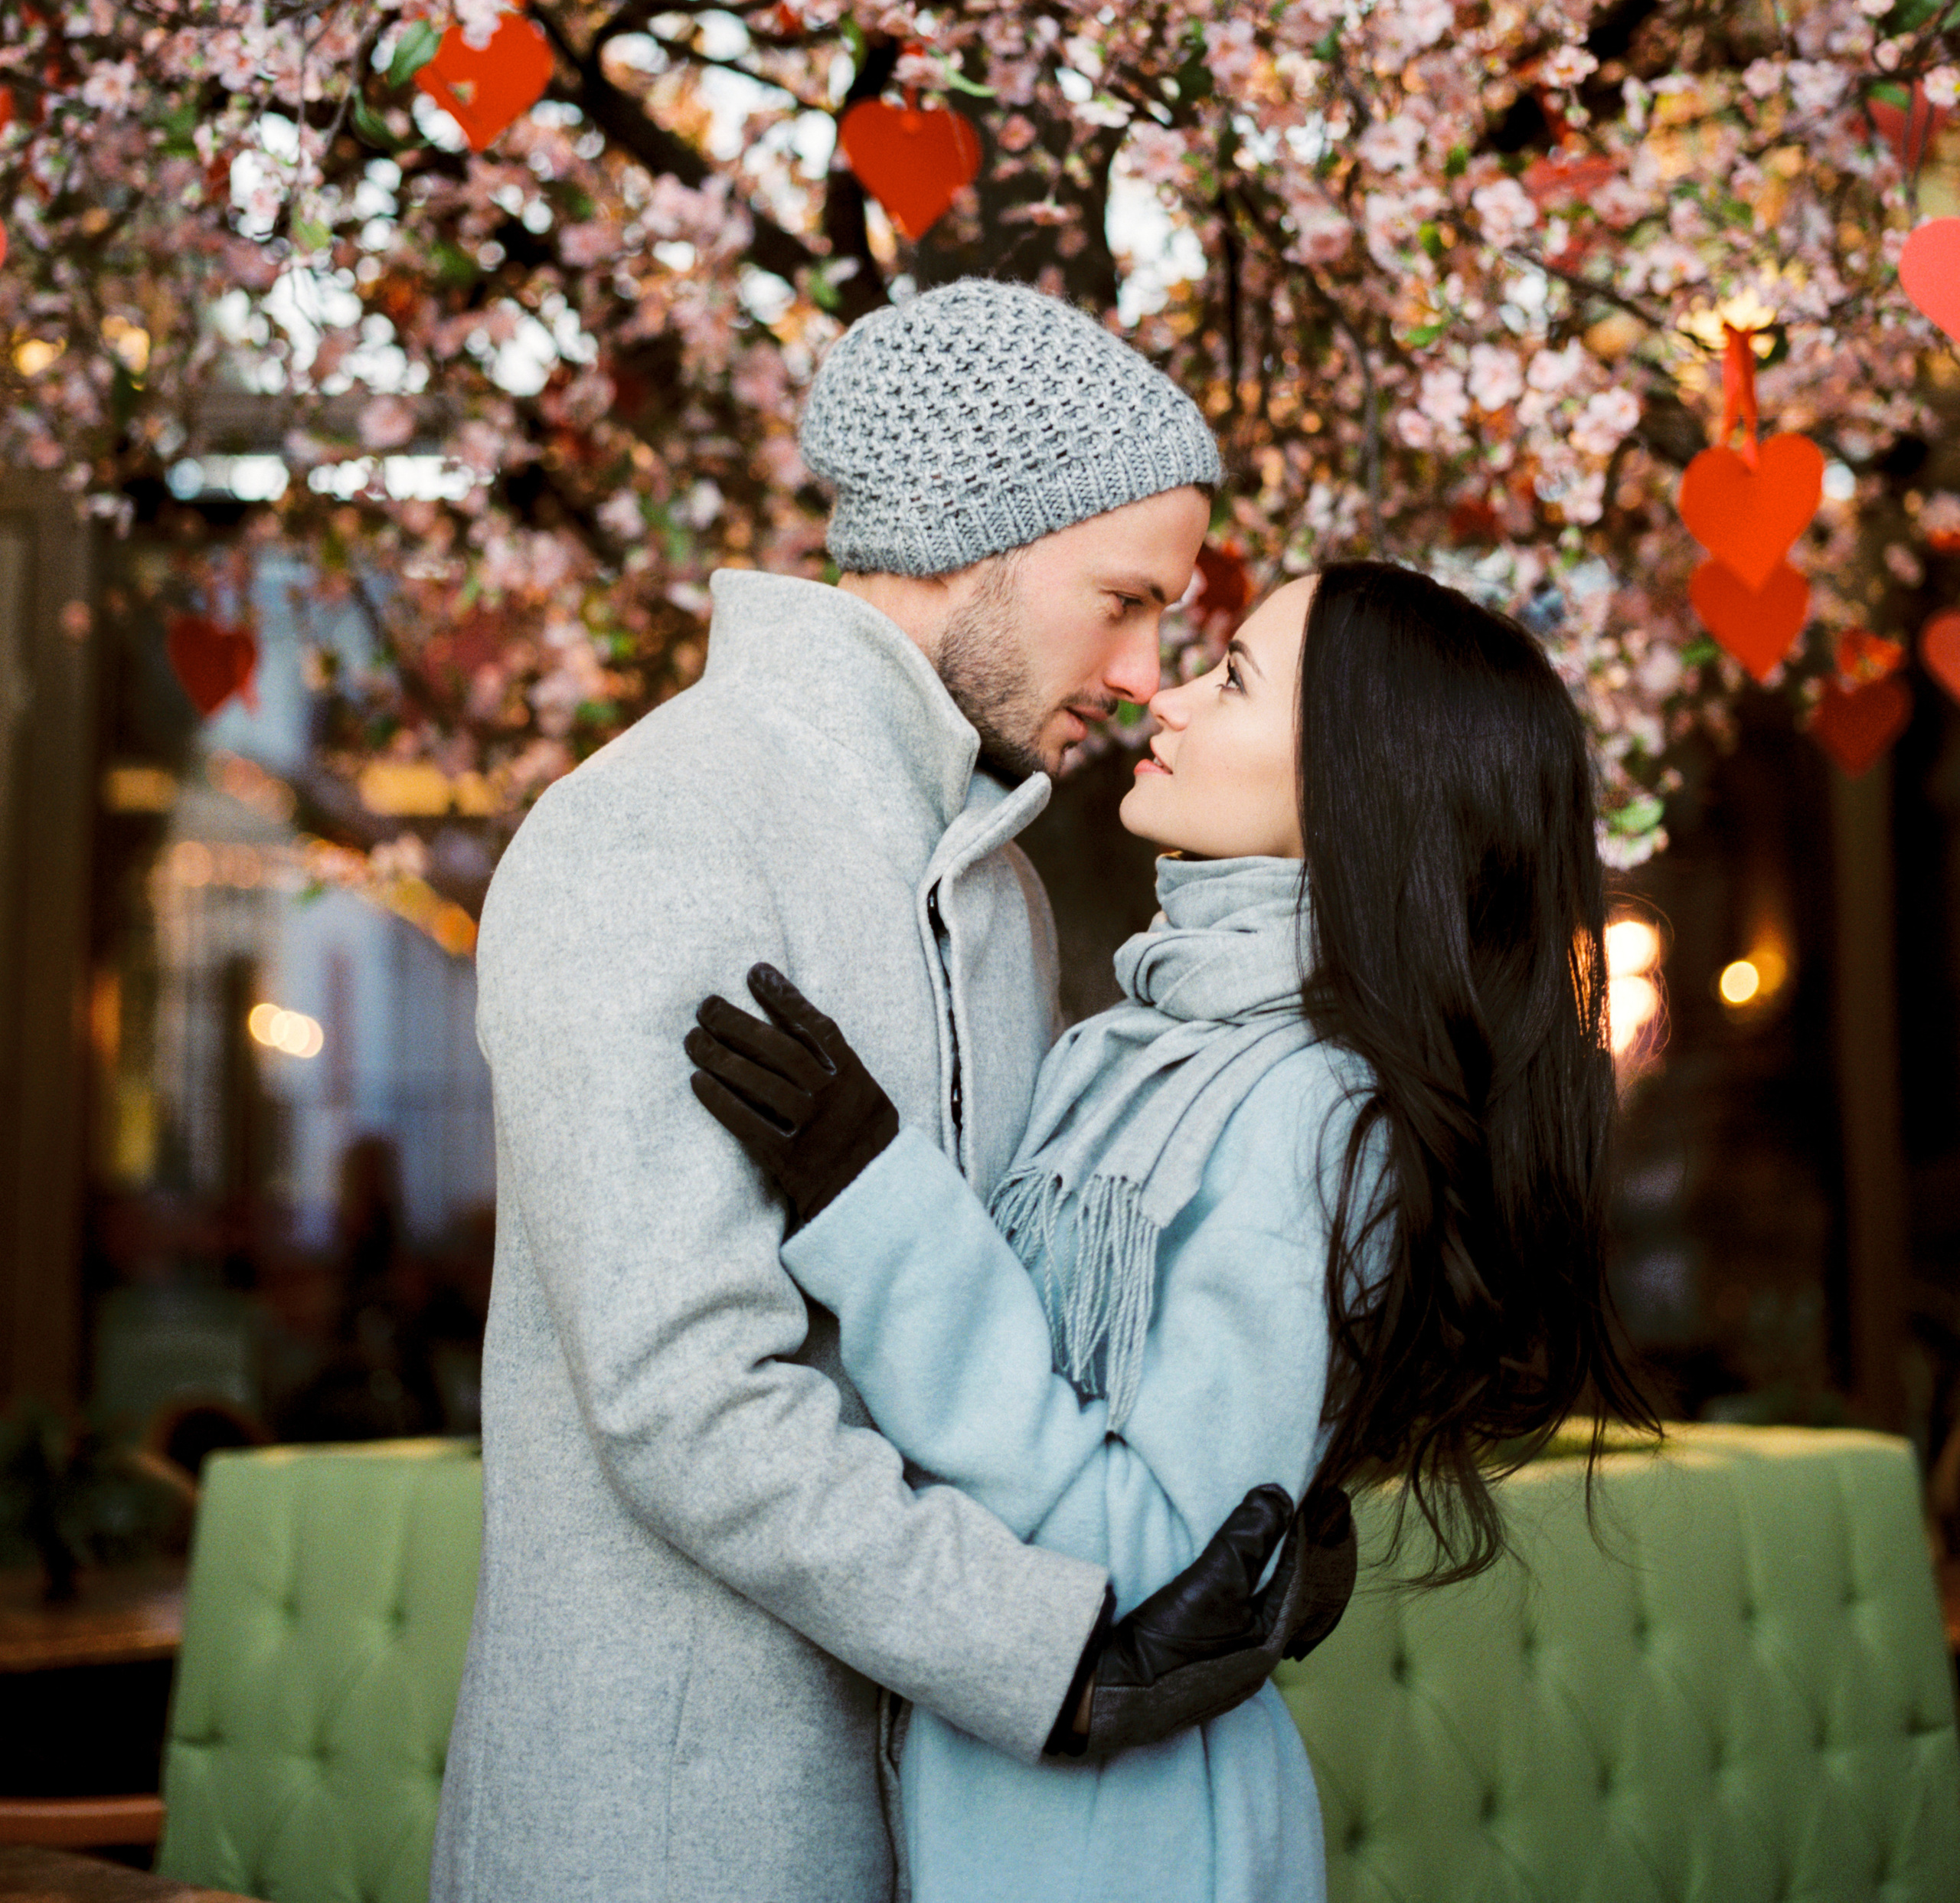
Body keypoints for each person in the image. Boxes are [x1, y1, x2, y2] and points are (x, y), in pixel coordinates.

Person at [431, 279, 1346, 1903]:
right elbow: (686, 1399)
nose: (1142, 672)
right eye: (1123, 599)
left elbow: (1019, 1335)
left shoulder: (1004, 896)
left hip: (954, 1832)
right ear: (967, 541)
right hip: (673, 1835)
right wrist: (1057, 1658)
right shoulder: (650, 831)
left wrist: (1243, 1495)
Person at [688, 557, 1661, 1903]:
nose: (1169, 693)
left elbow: (1141, 1552)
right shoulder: (1132, 1039)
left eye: (1235, 675)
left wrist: (873, 1197)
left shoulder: (1321, 1113)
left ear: (1351, 783)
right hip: (980, 1799)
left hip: (1121, 1845)